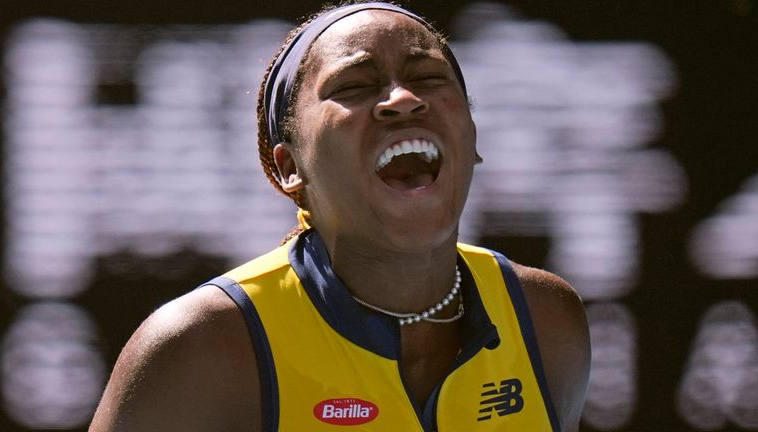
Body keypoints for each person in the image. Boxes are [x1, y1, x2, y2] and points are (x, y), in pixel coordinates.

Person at [89, 1, 591, 431]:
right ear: (290, 167)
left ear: (472, 138)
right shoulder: (203, 347)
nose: (402, 100)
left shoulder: (546, 318)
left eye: (428, 77)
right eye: (354, 86)